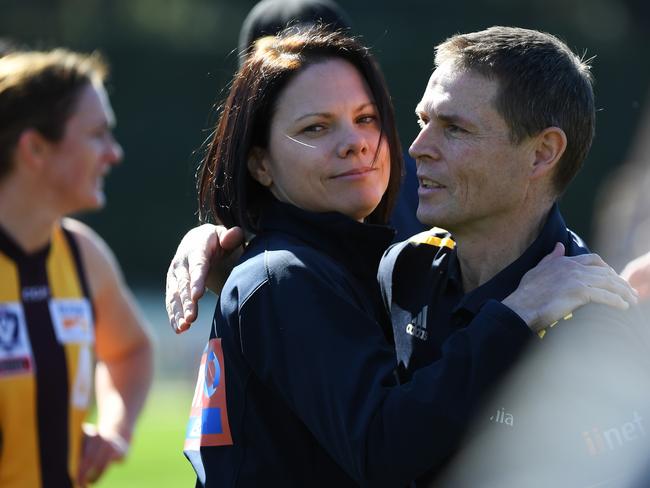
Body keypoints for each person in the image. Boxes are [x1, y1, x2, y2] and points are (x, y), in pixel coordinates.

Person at [179, 26, 636, 487]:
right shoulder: (403, 270)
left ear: (542, 153)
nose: (418, 149)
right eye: (422, 122)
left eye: (455, 129)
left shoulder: (594, 321)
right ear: (260, 162)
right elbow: (380, 439)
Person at [0, 48, 153, 487]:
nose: (115, 153)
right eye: (97, 134)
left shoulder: (82, 255)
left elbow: (131, 352)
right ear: (34, 148)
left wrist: (115, 431)